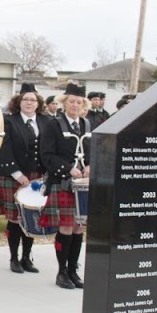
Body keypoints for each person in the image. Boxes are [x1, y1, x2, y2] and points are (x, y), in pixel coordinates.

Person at [0, 84, 45, 274]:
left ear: (38, 103)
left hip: (37, 177)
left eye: (33, 99)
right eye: (25, 99)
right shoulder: (9, 121)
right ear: (18, 102)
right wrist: (18, 174)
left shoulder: (45, 121)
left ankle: (26, 258)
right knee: (15, 219)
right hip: (14, 176)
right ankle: (14, 258)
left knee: (30, 217)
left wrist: (45, 175)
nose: (29, 102)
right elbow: (4, 150)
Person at [40, 85, 91, 289]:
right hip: (62, 182)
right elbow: (47, 155)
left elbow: (94, 151)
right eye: (71, 101)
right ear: (64, 103)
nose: (75, 105)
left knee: (79, 227)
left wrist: (90, 165)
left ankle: (73, 270)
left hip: (83, 185)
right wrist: (69, 169)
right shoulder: (54, 125)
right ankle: (61, 272)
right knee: (66, 227)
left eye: (79, 102)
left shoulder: (87, 125)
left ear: (83, 105)